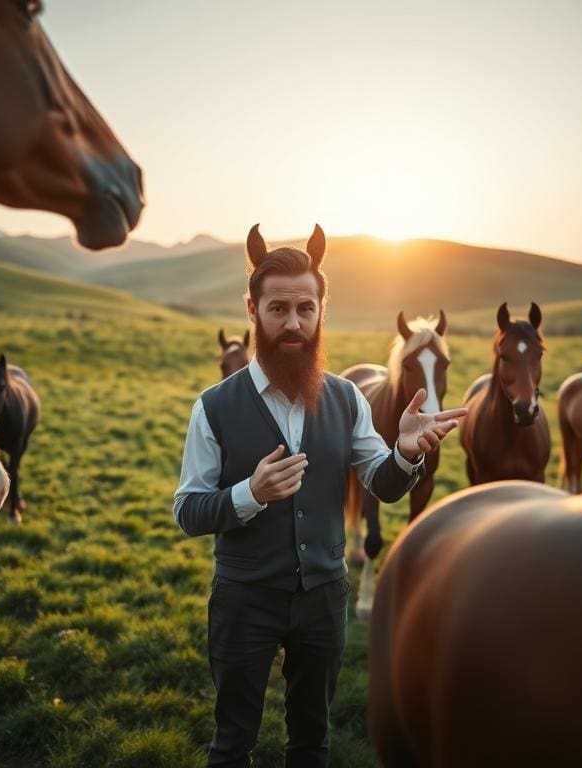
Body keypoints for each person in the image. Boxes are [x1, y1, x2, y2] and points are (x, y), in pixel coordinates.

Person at [173, 223, 466, 768]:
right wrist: (247, 494)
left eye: (305, 309)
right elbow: (188, 510)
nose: (293, 323)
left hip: (324, 601)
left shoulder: (347, 399)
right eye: (278, 308)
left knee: (312, 742)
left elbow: (381, 482)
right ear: (252, 309)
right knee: (233, 742)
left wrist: (403, 453)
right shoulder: (213, 407)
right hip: (244, 601)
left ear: (320, 311)